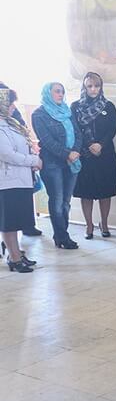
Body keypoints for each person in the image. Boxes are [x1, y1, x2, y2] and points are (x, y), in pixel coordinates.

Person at [31, 83, 82, 249]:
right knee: (57, 200)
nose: (60, 95)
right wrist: (67, 154)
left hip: (71, 161)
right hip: (53, 163)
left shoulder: (67, 111)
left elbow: (77, 133)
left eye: (62, 92)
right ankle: (62, 236)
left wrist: (74, 152)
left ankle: (61, 234)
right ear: (48, 93)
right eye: (57, 92)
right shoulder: (39, 114)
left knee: (66, 201)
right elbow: (47, 141)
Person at [71, 72, 116, 239]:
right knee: (87, 192)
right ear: (84, 87)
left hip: (105, 154)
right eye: (90, 86)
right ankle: (89, 225)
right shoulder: (76, 106)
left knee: (105, 191)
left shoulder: (108, 106)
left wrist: (101, 144)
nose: (93, 89)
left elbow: (112, 129)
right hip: (85, 155)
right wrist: (89, 145)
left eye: (96, 86)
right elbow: (75, 129)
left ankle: (104, 223)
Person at [0, 88, 40, 272]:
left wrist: (32, 158)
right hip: (7, 181)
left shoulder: (11, 123)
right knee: (9, 222)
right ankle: (14, 259)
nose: (13, 107)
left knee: (17, 221)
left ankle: (17, 253)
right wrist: (32, 160)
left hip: (21, 178)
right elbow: (7, 154)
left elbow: (24, 145)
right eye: (10, 103)